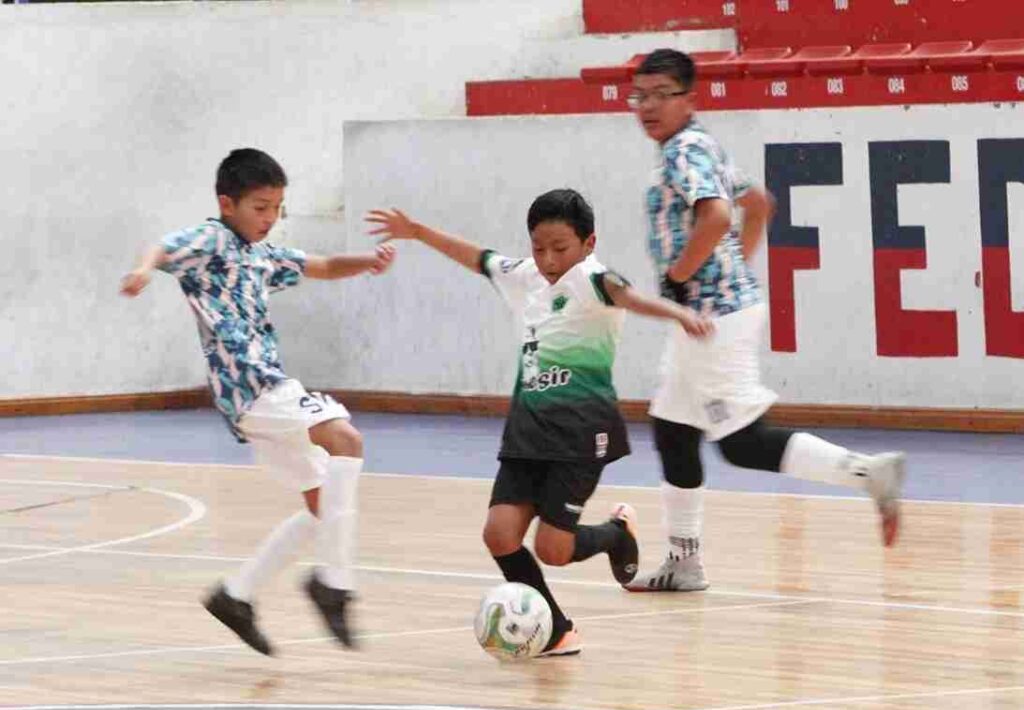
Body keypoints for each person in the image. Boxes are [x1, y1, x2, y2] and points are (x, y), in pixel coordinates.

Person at [365, 188, 714, 655]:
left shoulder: (595, 279)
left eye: (560, 248)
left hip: (582, 431)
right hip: (527, 429)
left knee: (554, 548)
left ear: (589, 243)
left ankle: (615, 536)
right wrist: (417, 232)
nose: (549, 259)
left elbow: (629, 297)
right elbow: (476, 257)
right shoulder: (524, 276)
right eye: (539, 247)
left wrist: (678, 313)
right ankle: (555, 629)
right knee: (499, 534)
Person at [625, 49, 905, 592]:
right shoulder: (702, 145)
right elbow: (762, 203)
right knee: (673, 430)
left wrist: (683, 276)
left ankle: (869, 472)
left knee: (741, 443)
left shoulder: (685, 152)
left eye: (662, 94)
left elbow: (720, 213)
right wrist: (734, 267)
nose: (648, 106)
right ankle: (685, 563)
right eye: (640, 94)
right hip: (713, 313)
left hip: (710, 318)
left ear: (690, 98)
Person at [121, 148, 396, 654]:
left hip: (261, 400)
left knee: (322, 505)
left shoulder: (262, 253)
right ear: (228, 204)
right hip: (255, 389)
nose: (270, 218)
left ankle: (236, 596)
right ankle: (334, 586)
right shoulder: (212, 239)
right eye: (261, 207)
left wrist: (368, 262)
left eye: (277, 208)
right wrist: (142, 271)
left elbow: (324, 264)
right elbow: (163, 247)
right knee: (346, 439)